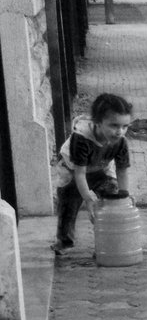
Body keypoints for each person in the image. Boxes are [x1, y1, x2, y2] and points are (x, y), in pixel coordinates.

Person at [51, 93, 135, 256]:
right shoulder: (81, 138)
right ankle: (64, 241)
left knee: (113, 196)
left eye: (125, 126)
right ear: (97, 122)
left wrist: (124, 194)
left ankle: (108, 243)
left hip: (99, 170)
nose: (120, 131)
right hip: (72, 172)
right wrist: (89, 199)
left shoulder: (121, 141)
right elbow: (79, 173)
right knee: (69, 204)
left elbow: (122, 170)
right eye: (114, 126)